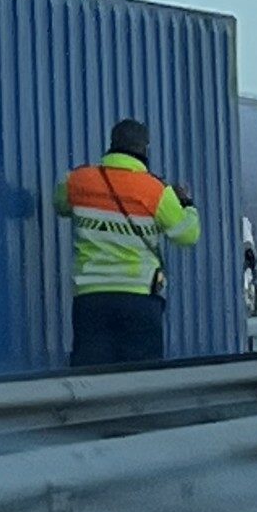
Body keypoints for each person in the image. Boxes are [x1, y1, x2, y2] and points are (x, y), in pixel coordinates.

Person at [53, 118, 200, 367]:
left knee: (90, 377)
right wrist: (186, 203)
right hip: (138, 300)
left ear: (112, 143)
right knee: (140, 380)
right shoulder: (156, 190)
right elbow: (187, 235)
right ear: (145, 148)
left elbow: (60, 205)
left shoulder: (79, 181)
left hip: (91, 299)